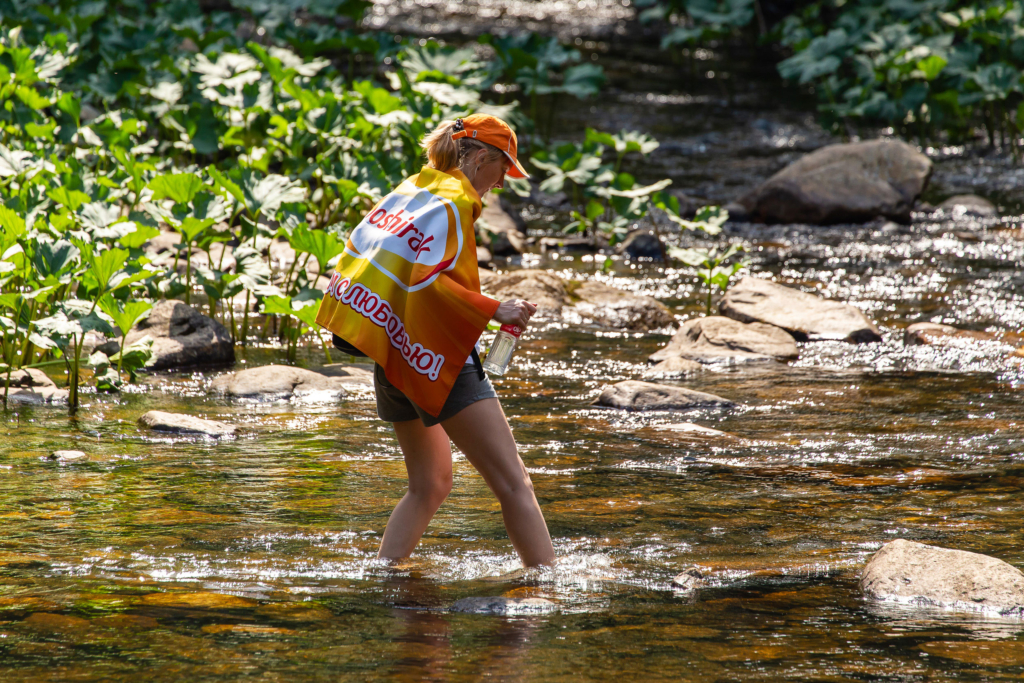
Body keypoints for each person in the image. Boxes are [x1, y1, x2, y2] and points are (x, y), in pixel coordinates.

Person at [315, 114, 555, 567]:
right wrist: (493, 309)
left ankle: (385, 578)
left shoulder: (412, 191)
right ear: (482, 157)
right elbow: (426, 283)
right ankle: (547, 590)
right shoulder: (453, 204)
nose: (503, 182)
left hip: (391, 356)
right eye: (504, 169)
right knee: (514, 484)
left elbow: (373, 264)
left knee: (431, 484)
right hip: (435, 358)